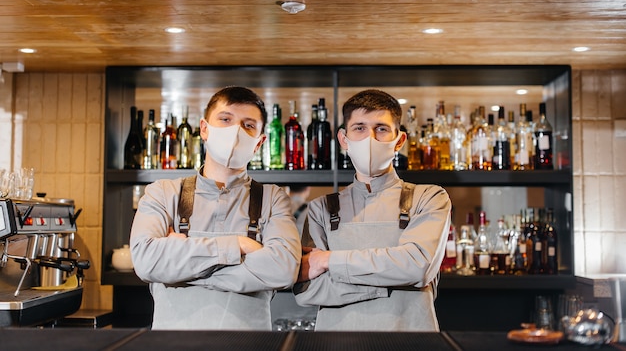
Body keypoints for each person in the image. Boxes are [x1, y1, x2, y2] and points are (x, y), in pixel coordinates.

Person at [130, 86, 301, 330]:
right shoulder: (163, 192)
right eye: (225, 120)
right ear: (204, 129)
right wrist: (238, 246)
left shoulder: (273, 199)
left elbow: (284, 270)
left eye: (248, 125)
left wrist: (181, 270)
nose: (236, 131)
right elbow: (147, 261)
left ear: (260, 142)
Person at [293, 89, 451, 332]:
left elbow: (418, 266)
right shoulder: (321, 208)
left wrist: (329, 261)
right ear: (344, 140)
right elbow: (307, 291)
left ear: (399, 140)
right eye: (359, 128)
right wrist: (393, 283)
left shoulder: (429, 197)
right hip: (336, 344)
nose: (370, 138)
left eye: (381, 128)